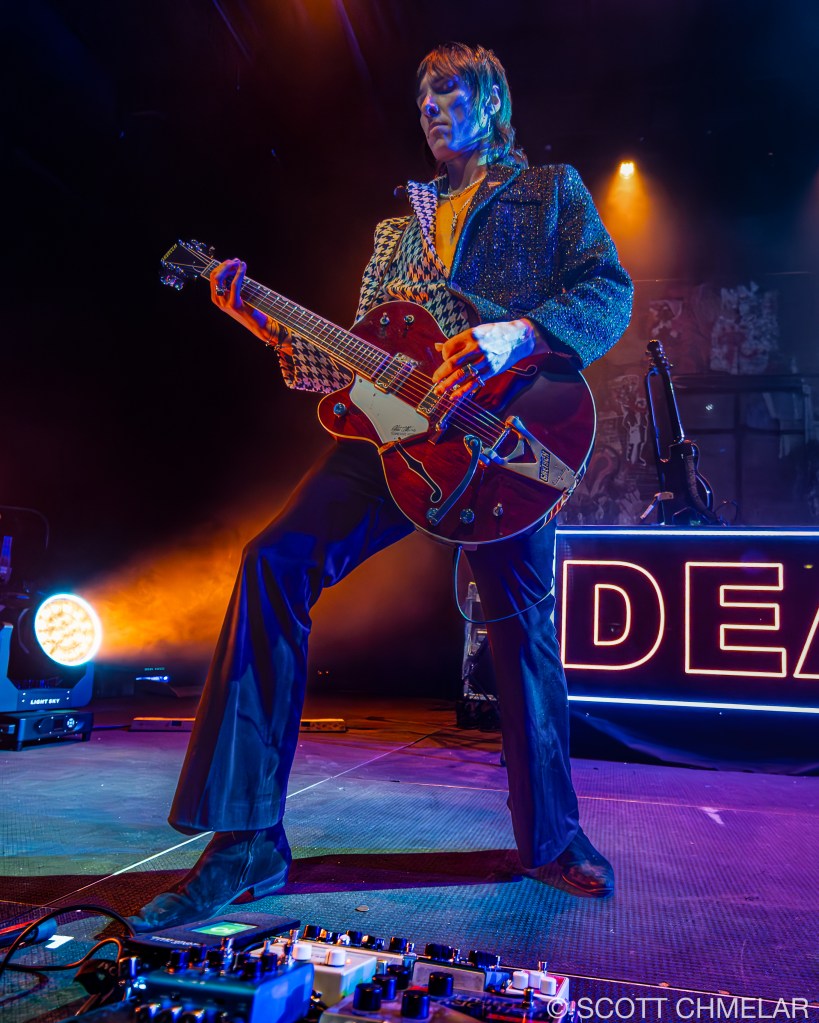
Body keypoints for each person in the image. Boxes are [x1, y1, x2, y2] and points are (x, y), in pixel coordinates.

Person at [128, 41, 633, 932]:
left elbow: (607, 290)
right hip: (397, 440)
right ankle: (245, 840)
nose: (431, 107)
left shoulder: (547, 190)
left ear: (491, 101)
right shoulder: (395, 232)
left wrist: (517, 334)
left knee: (521, 632)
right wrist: (266, 326)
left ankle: (552, 838)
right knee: (274, 561)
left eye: (449, 92)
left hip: (505, 438)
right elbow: (356, 362)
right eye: (423, 97)